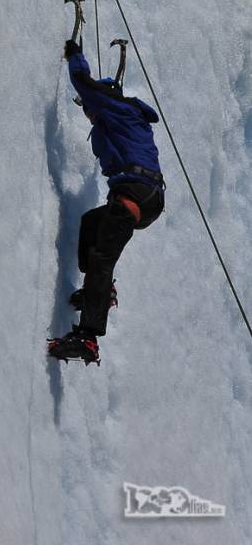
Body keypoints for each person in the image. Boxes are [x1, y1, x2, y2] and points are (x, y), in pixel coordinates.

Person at [48, 39, 165, 365]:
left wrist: (75, 56)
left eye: (88, 108)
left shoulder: (116, 107)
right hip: (145, 196)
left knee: (101, 259)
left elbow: (84, 84)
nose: (87, 112)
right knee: (91, 226)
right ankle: (98, 292)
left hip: (134, 194)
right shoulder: (125, 118)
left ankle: (88, 338)